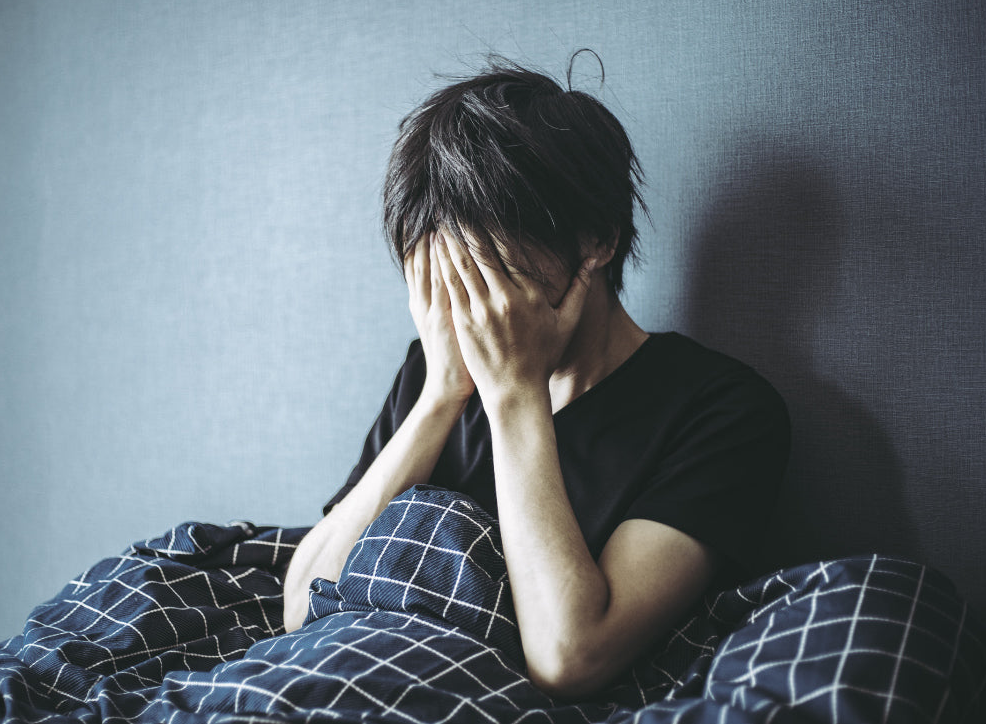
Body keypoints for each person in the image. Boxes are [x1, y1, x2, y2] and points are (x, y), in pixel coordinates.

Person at [282, 56, 790, 699]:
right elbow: (301, 606)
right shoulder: (432, 373)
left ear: (595, 241)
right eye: (438, 272)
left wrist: (516, 395)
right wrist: (441, 397)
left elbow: (569, 656)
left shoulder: (722, 411)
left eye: (483, 269)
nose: (462, 302)